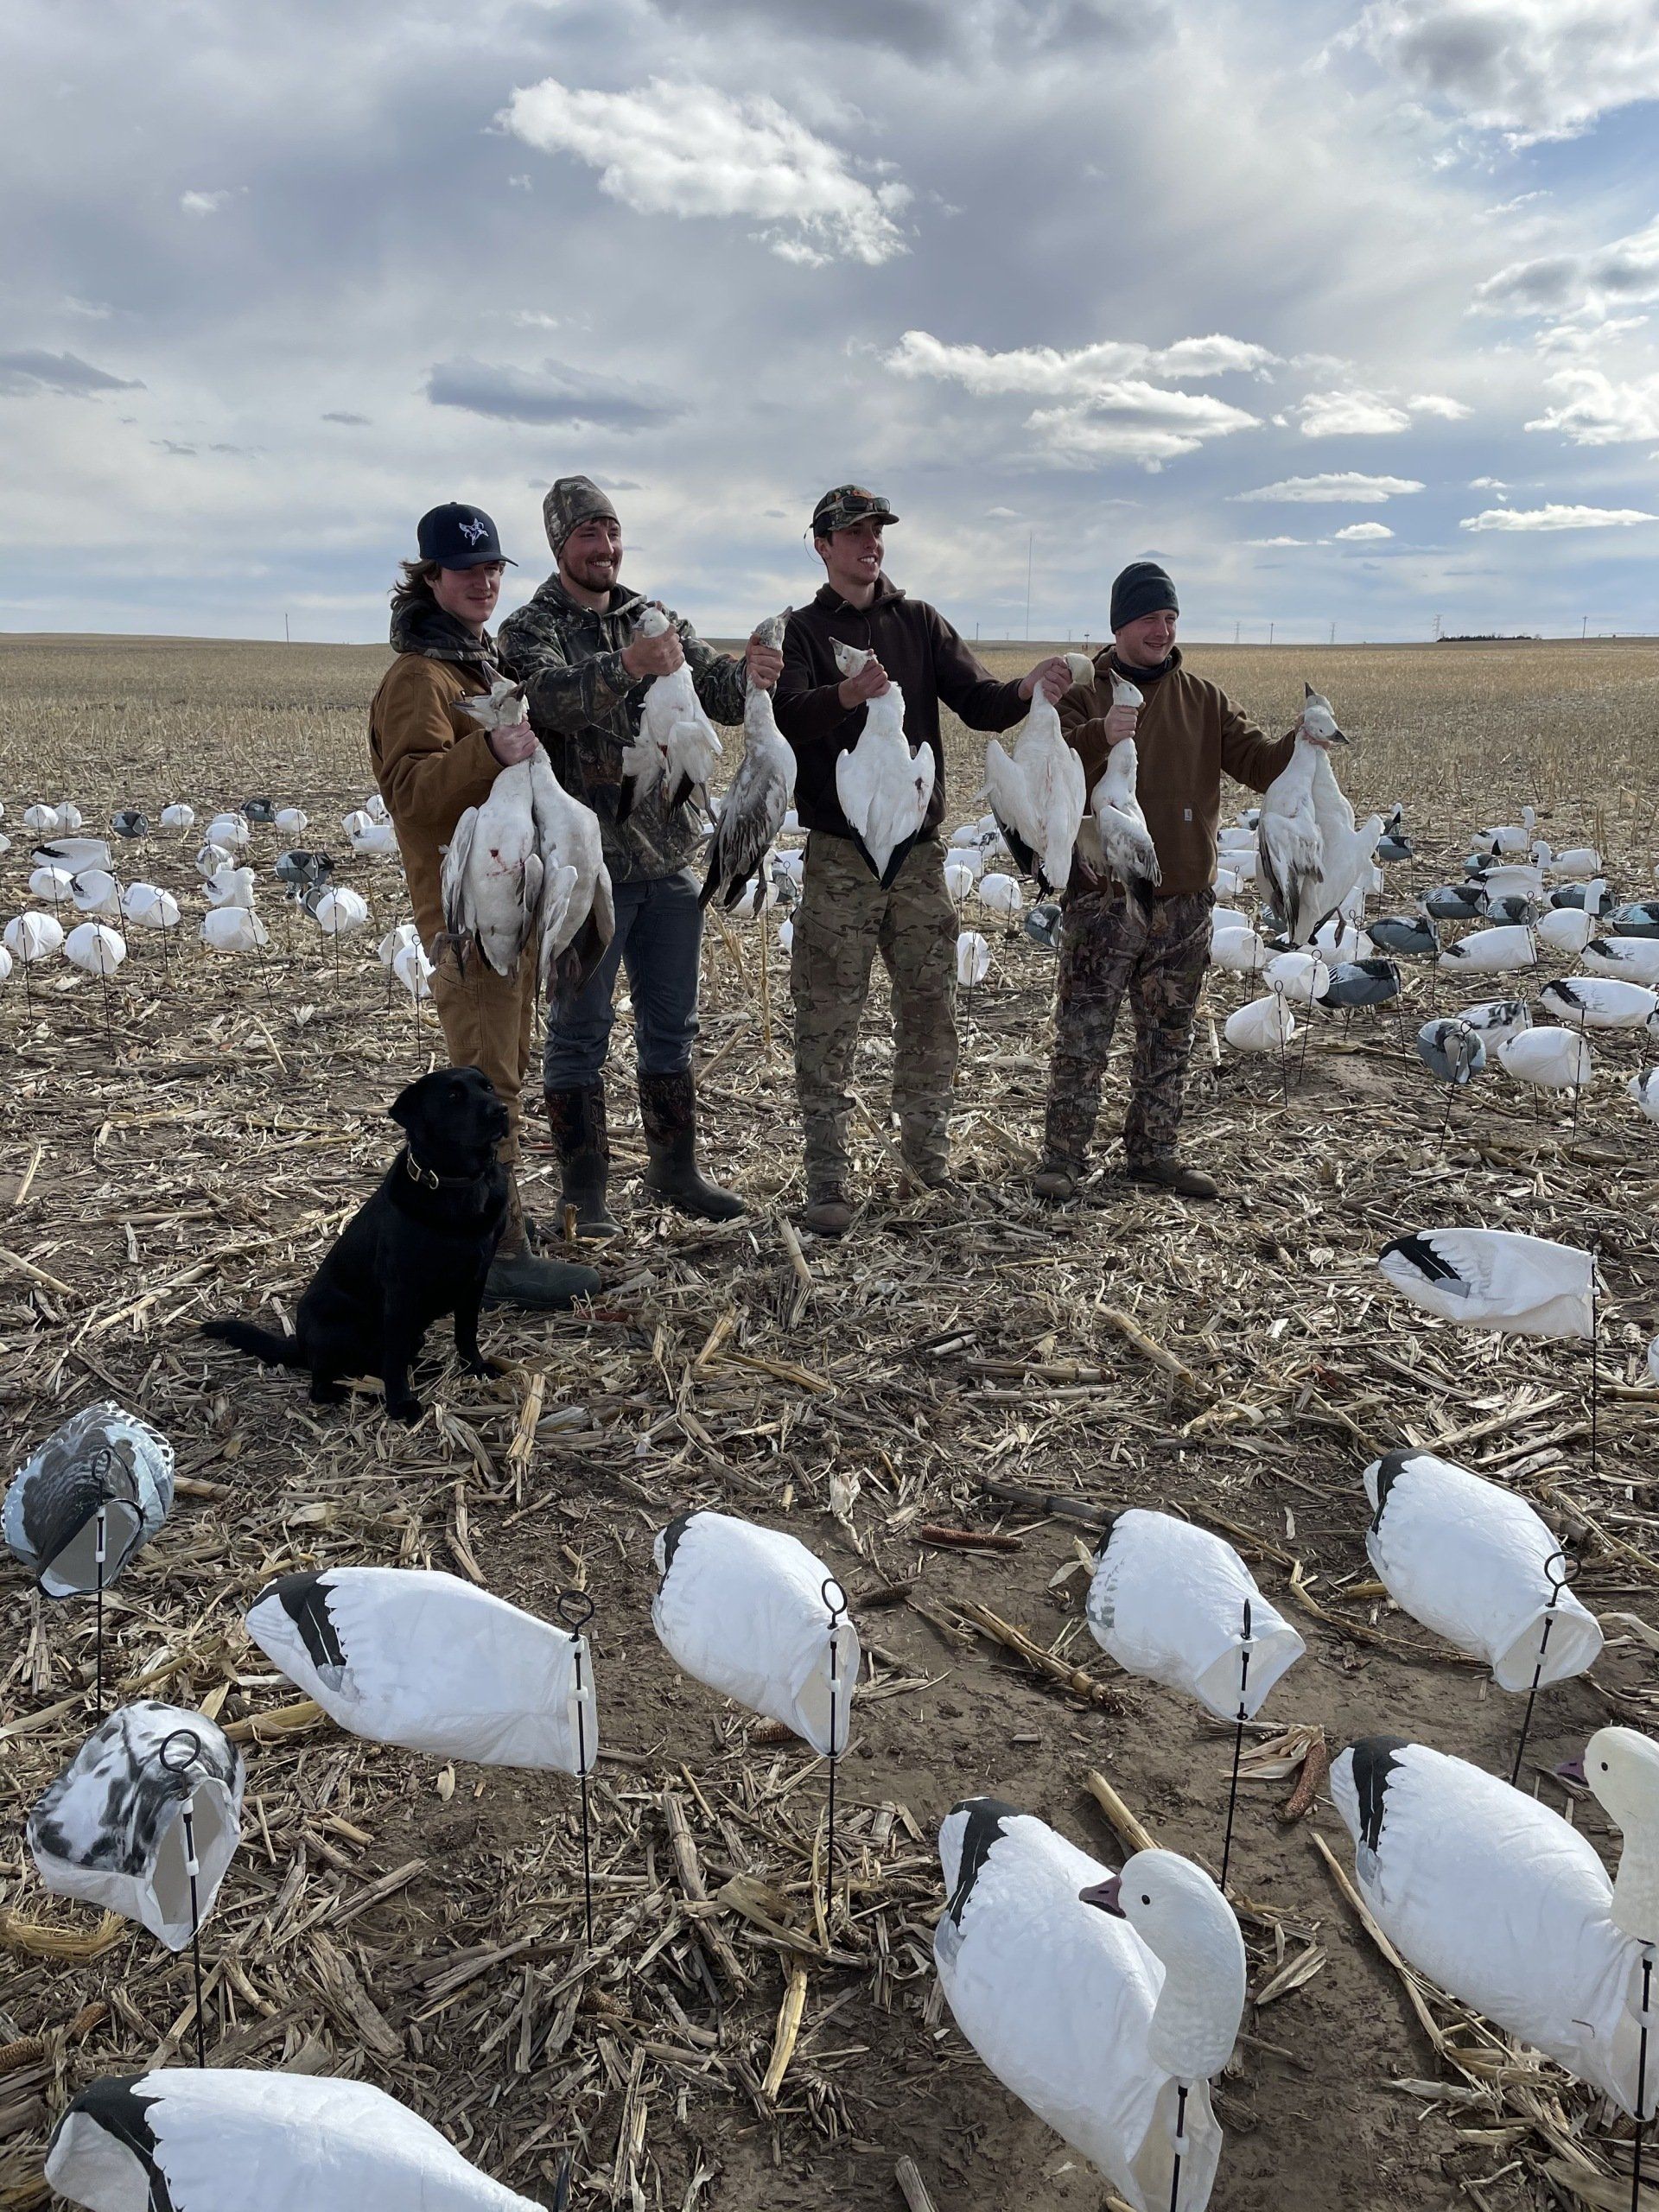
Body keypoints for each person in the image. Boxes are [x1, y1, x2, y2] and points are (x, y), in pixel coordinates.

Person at [773, 485, 1074, 1237]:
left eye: (876, 531)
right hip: (839, 858)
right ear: (822, 544)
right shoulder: (800, 631)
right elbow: (784, 719)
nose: (869, 543)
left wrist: (1026, 689)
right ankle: (828, 1183)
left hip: (917, 859)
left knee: (930, 1009)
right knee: (827, 1017)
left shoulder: (918, 622)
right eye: (852, 533)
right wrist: (846, 693)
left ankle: (925, 1163)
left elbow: (977, 700)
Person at [496, 476, 783, 1236]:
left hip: (668, 865)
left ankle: (672, 1168)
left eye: (613, 532)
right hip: (583, 874)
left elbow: (713, 688)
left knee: (671, 1026)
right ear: (561, 546)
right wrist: (630, 665)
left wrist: (747, 673)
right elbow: (546, 698)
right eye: (589, 535)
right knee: (579, 1032)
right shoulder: (531, 627)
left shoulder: (651, 614)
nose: (606, 548)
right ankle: (582, 1193)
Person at [1034, 558, 1332, 1203]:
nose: (1163, 630)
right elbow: (1045, 771)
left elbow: (1257, 764)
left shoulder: (1203, 698)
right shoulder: (1087, 693)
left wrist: (1302, 742)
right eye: (1149, 618)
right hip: (1105, 897)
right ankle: (1062, 1160)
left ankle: (1153, 1153)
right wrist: (1096, 734)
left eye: (1170, 618)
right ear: (1119, 625)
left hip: (1185, 899)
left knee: (1170, 1033)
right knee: (1084, 1031)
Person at [367, 502, 599, 1310]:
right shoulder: (418, 678)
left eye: (493, 568)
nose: (484, 581)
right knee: (487, 1086)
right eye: (466, 571)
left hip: (512, 902)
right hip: (467, 918)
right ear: (430, 577)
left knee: (503, 1070)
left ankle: (493, 1237)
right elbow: (409, 797)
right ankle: (492, 1256)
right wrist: (486, 748)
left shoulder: (477, 663)